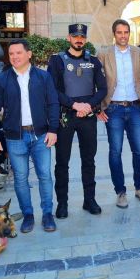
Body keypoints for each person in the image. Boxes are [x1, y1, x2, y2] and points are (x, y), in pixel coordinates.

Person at [0, 39, 59, 233]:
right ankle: (28, 214)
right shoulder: (2, 79)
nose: (14, 57)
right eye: (11, 54)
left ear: (29, 54)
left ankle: (47, 214)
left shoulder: (43, 77)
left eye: (18, 53)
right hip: (15, 137)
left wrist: (53, 129)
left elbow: (53, 103)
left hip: (41, 135)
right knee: (20, 178)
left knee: (45, 175)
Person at [47, 24, 107, 218]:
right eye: (75, 36)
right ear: (69, 38)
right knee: (62, 162)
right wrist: (75, 105)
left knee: (88, 161)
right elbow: (52, 90)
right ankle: (62, 204)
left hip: (87, 117)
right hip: (65, 117)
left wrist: (88, 106)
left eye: (82, 36)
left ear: (86, 39)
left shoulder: (94, 62)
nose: (78, 39)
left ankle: (89, 200)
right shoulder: (57, 61)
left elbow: (103, 89)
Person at [98, 20, 140, 209]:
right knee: (115, 152)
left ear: (129, 33)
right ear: (114, 34)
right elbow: (97, 81)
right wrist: (99, 108)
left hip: (135, 107)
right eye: (119, 32)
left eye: (126, 32)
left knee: (139, 151)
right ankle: (120, 192)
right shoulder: (104, 54)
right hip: (113, 109)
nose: (123, 35)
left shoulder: (137, 53)